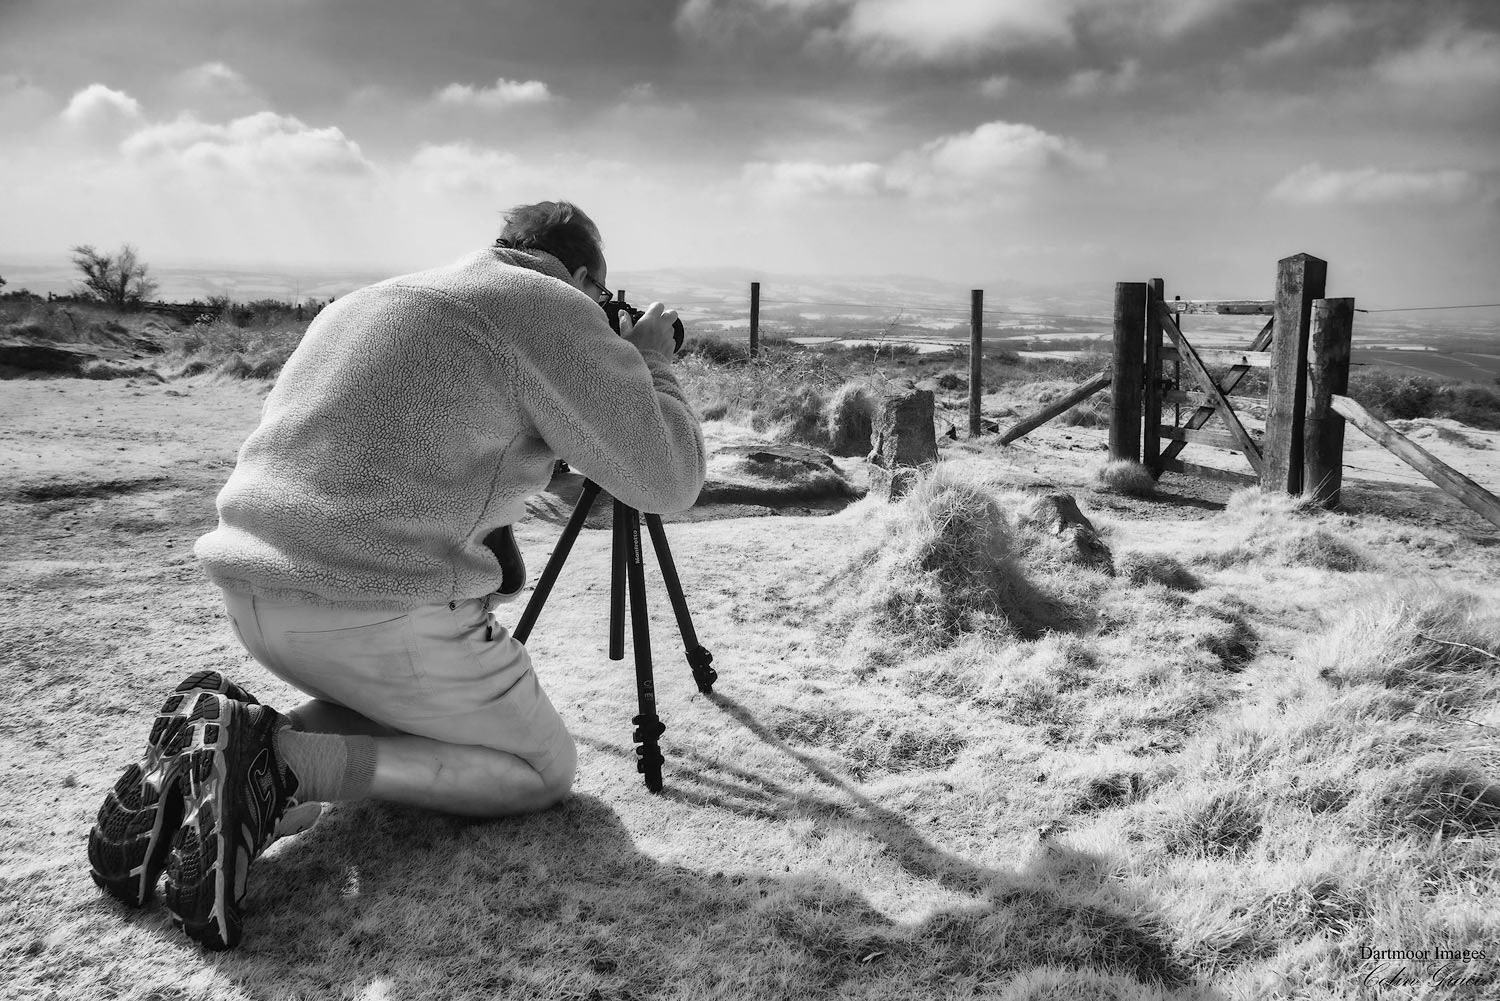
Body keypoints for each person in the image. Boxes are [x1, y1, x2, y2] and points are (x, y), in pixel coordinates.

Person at [86, 201, 707, 950]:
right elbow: (669, 478)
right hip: (373, 610)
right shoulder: (553, 306)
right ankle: (287, 766)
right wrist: (649, 362)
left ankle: (218, 763)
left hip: (252, 588)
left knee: (421, 709)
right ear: (580, 277)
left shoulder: (375, 300)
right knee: (540, 765)